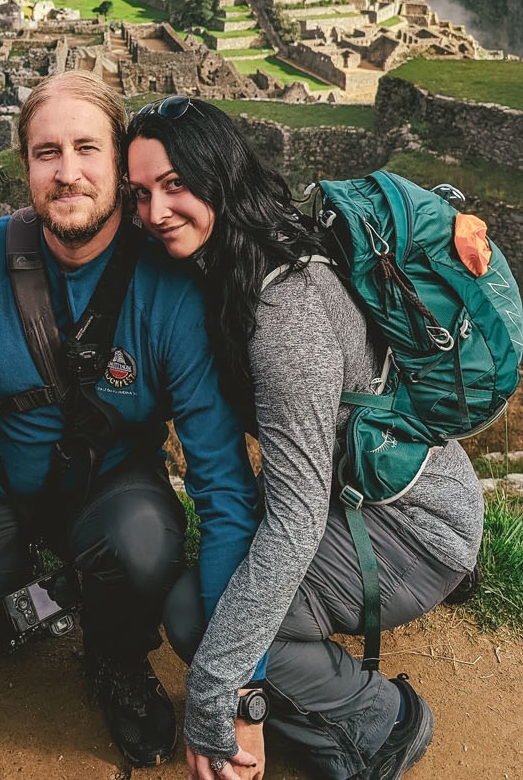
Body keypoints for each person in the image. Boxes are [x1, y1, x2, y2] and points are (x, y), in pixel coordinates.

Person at [0, 72, 259, 770]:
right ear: (25, 166)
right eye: (48, 152)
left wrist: (229, 686)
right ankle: (12, 575)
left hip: (109, 493)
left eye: (86, 148)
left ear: (119, 164)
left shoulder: (169, 289)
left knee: (143, 542)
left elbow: (223, 483)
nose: (68, 172)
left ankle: (114, 656)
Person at [126, 96, 485, 780]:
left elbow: (292, 521)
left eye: (175, 185)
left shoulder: (280, 310)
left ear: (218, 175)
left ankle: (378, 721)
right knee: (220, 592)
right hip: (378, 489)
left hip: (412, 526)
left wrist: (217, 691)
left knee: (199, 617)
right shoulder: (251, 249)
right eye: (140, 193)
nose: (154, 211)